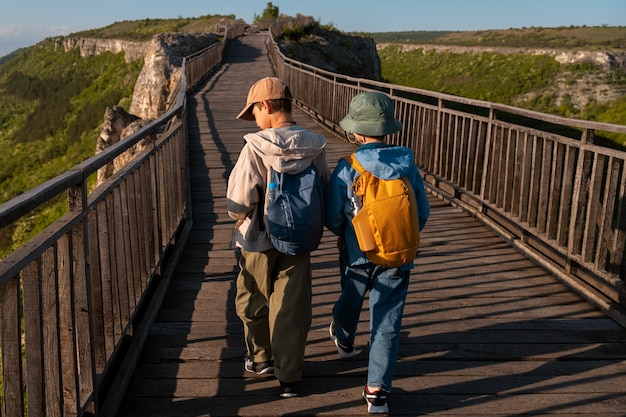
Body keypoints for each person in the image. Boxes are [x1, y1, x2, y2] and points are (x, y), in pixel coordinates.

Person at [324, 91, 430, 414]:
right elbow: (421, 213)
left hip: (359, 254)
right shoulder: (406, 165)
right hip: (398, 257)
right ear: (389, 129)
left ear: (356, 132)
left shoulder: (348, 168)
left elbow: (332, 217)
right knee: (387, 321)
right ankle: (377, 392)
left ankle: (343, 336)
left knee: (350, 299)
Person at [226, 77, 330, 398]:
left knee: (252, 299)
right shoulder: (314, 145)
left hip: (257, 239)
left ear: (266, 106)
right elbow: (325, 188)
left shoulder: (255, 147)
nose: (254, 121)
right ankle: (289, 376)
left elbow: (238, 202)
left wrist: (240, 218)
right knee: (291, 306)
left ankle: (260, 359)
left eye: (254, 113)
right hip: (299, 238)